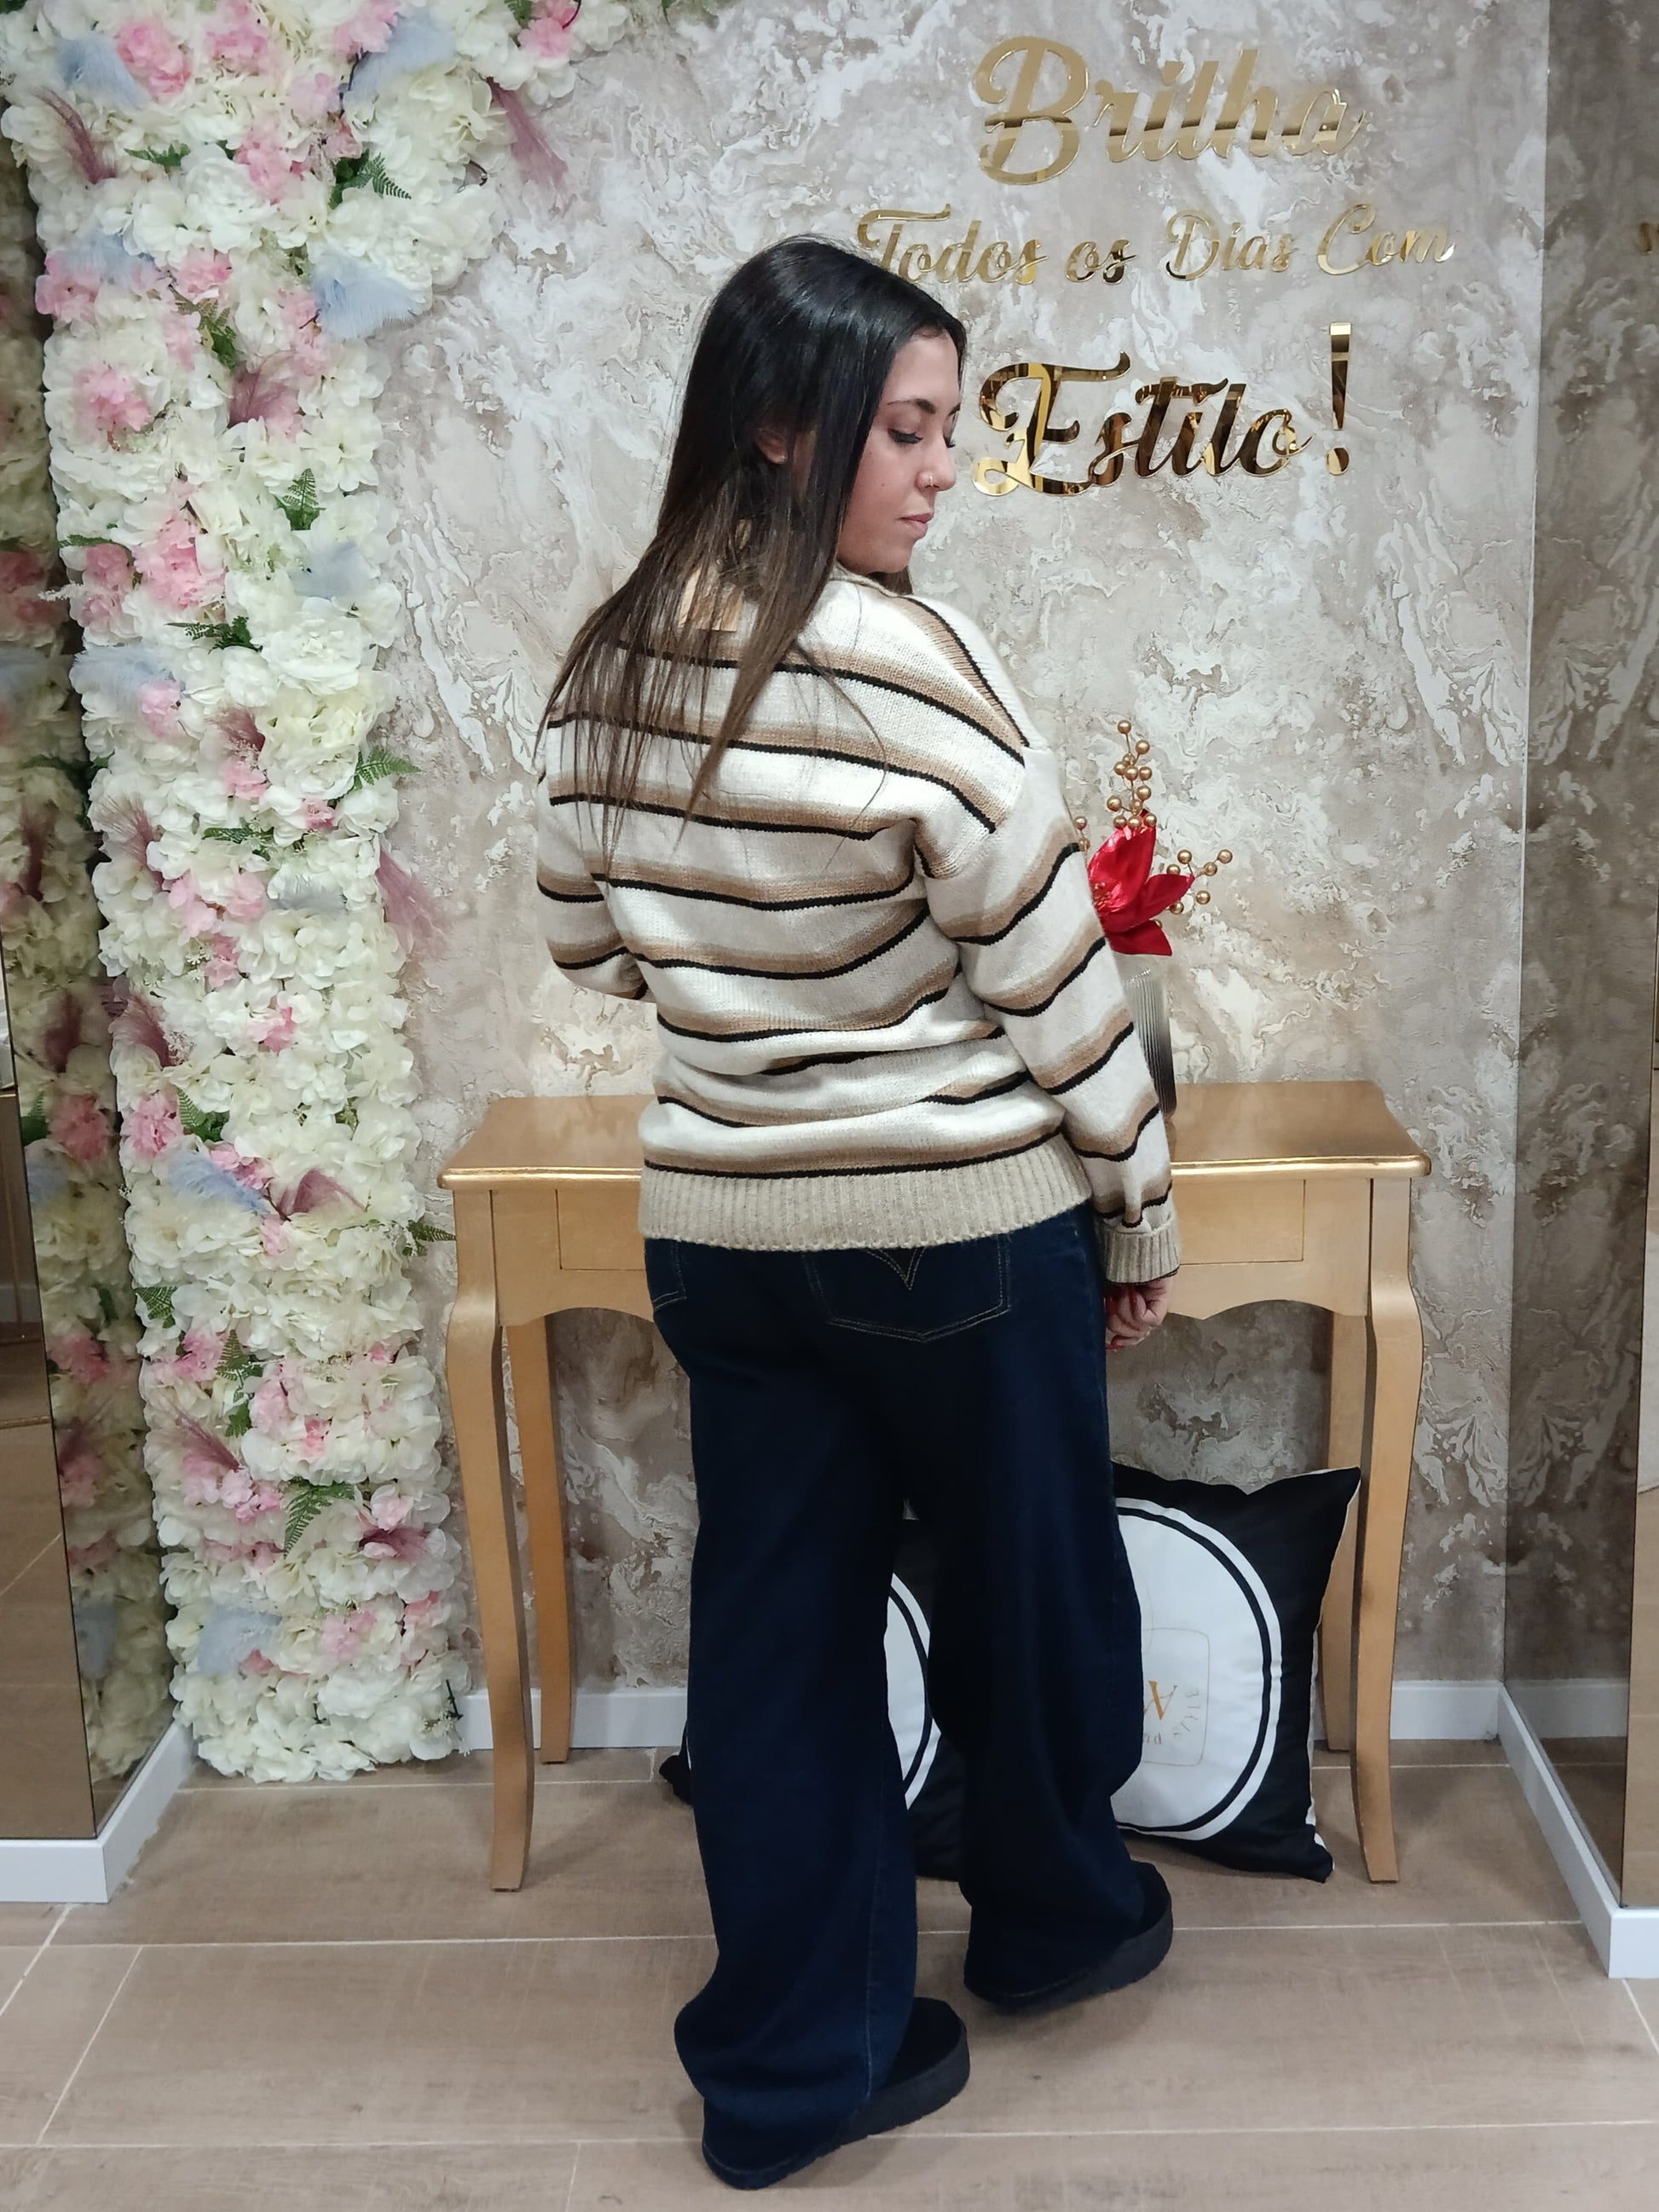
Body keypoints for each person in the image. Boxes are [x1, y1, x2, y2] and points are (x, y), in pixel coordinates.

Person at [535, 236, 1179, 2192]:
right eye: (905, 429)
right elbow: (1051, 969)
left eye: (941, 427)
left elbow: (586, 945)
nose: (939, 468)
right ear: (778, 424)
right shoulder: (909, 656)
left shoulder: (609, 661)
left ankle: (790, 2069)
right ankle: (1053, 1921)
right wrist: (1135, 1211)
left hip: (726, 1238)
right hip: (955, 1232)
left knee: (776, 1644)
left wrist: (752, 991)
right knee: (1030, 1587)